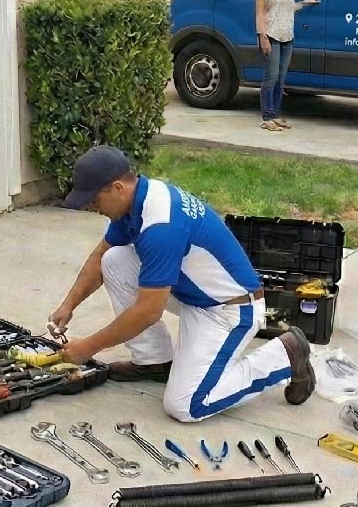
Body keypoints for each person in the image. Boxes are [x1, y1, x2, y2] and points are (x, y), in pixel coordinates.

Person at [49, 145, 315, 423]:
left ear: (117, 188)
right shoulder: (136, 201)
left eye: (94, 200)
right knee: (114, 259)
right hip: (193, 292)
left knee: (186, 405)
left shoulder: (161, 225)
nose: (92, 208)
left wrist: (89, 347)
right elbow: (101, 254)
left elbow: (148, 312)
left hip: (229, 311)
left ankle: (284, 354)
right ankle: (155, 362)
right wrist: (68, 306)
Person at [255, 0, 318, 131]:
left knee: (281, 79)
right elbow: (260, 13)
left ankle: (275, 114)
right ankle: (267, 117)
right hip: (272, 36)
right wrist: (262, 36)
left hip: (287, 37)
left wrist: (305, 3)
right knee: (271, 77)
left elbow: (288, 9)